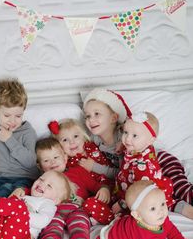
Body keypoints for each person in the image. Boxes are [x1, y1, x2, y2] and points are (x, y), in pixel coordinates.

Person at [83, 88, 193, 218]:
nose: (91, 119)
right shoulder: (96, 142)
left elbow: (138, 130)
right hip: (137, 175)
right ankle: (185, 210)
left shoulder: (125, 135)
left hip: (160, 160)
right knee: (152, 198)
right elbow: (120, 172)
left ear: (114, 118)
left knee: (181, 188)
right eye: (87, 116)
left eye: (97, 114)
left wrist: (95, 166)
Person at [34, 137, 111, 239]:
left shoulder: (77, 172)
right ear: (40, 166)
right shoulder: (43, 179)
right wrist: (21, 190)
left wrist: (104, 188)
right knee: (51, 227)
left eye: (56, 157)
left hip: (77, 210)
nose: (52, 162)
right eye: (46, 160)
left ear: (65, 157)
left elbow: (95, 186)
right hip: (53, 211)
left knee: (79, 226)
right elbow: (33, 191)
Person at [112, 111, 193, 218]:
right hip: (142, 187)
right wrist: (122, 146)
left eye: (134, 135)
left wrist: (122, 204)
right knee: (166, 200)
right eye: (125, 132)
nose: (127, 138)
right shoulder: (136, 148)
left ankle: (185, 209)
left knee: (171, 196)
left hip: (144, 191)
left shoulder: (142, 166)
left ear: (151, 140)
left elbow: (139, 193)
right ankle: (181, 207)